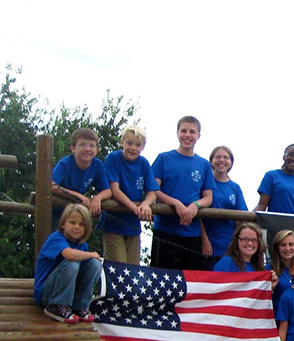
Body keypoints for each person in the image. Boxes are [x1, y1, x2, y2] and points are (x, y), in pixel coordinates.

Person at [151, 116, 216, 270]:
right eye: (184, 131)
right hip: (165, 230)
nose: (188, 135)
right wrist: (175, 203)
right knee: (163, 281)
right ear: (177, 133)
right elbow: (154, 190)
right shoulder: (163, 158)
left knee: (190, 283)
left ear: (198, 136)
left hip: (192, 233)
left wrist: (195, 205)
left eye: (192, 132)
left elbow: (208, 197)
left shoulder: (204, 164)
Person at [100, 125, 158, 264]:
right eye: (129, 143)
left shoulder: (143, 163)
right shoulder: (113, 158)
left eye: (138, 145)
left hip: (133, 225)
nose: (133, 148)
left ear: (143, 147)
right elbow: (115, 190)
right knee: (118, 265)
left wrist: (145, 204)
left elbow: (152, 193)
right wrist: (134, 208)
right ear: (122, 143)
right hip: (114, 222)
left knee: (133, 268)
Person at [34, 203, 101, 324]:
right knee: (72, 263)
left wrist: (92, 258)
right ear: (63, 224)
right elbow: (70, 255)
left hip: (70, 293)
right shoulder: (56, 238)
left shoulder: (82, 246)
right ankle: (56, 305)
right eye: (72, 222)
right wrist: (92, 254)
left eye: (81, 224)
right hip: (48, 294)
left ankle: (79, 306)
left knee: (95, 265)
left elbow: (86, 270)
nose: (77, 227)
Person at [51, 127, 111, 223]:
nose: (87, 149)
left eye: (91, 146)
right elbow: (51, 186)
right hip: (52, 211)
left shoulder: (97, 165)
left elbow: (107, 191)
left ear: (96, 150)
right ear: (73, 148)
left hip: (73, 214)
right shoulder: (65, 164)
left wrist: (98, 198)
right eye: (82, 145)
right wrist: (78, 196)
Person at [202, 145, 248, 269]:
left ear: (231, 162)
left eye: (226, 157)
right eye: (218, 157)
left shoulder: (235, 188)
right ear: (211, 161)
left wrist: (236, 244)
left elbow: (242, 217)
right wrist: (205, 241)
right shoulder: (205, 184)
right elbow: (198, 216)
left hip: (229, 245)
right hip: (208, 245)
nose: (222, 160)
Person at [254, 144, 294, 215]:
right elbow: (262, 205)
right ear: (284, 157)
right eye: (290, 155)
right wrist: (247, 221)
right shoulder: (271, 176)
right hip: (277, 222)